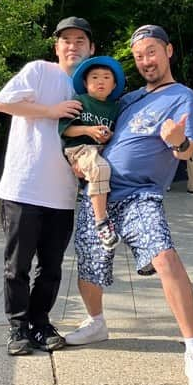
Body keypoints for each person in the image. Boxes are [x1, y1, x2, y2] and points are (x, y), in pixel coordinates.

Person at [64, 24, 193, 385]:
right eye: (138, 56)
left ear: (168, 51)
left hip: (139, 195)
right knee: (89, 266)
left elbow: (186, 149)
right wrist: (79, 160)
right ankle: (96, 323)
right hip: (97, 193)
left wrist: (177, 141)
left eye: (151, 52)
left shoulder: (182, 97)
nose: (145, 61)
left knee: (164, 256)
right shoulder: (129, 98)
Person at [0, 16, 95, 356]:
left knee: (51, 267)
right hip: (24, 187)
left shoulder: (92, 87)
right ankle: (18, 327)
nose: (73, 46)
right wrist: (51, 110)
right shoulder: (39, 71)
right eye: (66, 40)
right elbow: (2, 103)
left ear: (91, 48)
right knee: (17, 265)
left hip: (63, 194)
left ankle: (40, 323)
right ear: (56, 47)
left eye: (80, 40)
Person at [59, 55, 126, 251]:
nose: (100, 81)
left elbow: (117, 133)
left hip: (102, 149)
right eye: (94, 77)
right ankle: (101, 223)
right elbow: (65, 129)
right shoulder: (80, 101)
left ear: (114, 85)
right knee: (100, 167)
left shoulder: (116, 108)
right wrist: (88, 130)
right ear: (86, 83)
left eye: (106, 77)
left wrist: (108, 134)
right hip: (80, 149)